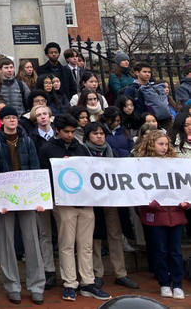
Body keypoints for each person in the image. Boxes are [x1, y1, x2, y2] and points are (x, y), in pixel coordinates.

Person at [38, 114, 110, 301]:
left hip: (85, 202)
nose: (70, 135)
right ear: (57, 131)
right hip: (63, 203)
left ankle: (88, 281)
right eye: (66, 132)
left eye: (72, 132)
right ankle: (70, 282)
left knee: (86, 244)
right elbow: (44, 177)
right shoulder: (47, 149)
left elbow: (91, 173)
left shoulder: (82, 148)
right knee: (67, 244)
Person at [0, 105, 45, 305]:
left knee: (32, 241)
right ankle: (12, 286)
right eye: (7, 118)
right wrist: (0, 194)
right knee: (7, 242)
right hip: (4, 198)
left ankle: (36, 285)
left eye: (14, 117)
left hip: (27, 197)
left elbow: (35, 170)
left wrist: (38, 199)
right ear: (1, 121)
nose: (12, 120)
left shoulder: (27, 141)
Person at [82, 121, 139, 291]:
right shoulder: (83, 151)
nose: (99, 136)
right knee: (95, 238)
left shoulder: (110, 152)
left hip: (111, 201)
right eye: (95, 134)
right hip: (92, 202)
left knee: (115, 235)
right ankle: (97, 273)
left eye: (102, 133)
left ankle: (120, 273)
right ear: (88, 136)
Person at [136, 130, 190, 300]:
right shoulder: (142, 165)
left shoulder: (176, 164)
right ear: (151, 144)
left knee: (175, 251)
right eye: (160, 144)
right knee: (159, 251)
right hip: (156, 214)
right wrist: (148, 202)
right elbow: (137, 189)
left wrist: (187, 202)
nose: (164, 147)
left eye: (166, 144)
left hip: (175, 213)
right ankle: (165, 283)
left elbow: (185, 186)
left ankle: (178, 283)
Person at [27, 105, 57, 290]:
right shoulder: (31, 139)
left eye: (45, 113)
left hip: (62, 190)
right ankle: (49, 270)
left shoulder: (60, 135)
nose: (42, 117)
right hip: (42, 190)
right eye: (38, 115)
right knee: (44, 232)